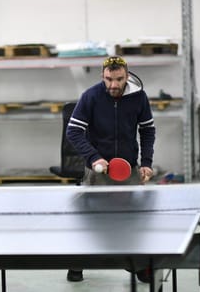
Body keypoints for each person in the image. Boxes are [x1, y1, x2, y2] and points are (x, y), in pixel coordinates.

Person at [65, 55, 156, 282]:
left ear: (127, 76)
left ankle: (134, 264)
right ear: (102, 76)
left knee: (132, 222)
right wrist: (94, 157)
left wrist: (146, 163)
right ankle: (77, 264)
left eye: (118, 79)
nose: (113, 85)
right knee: (91, 222)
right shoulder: (91, 96)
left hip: (129, 170)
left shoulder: (139, 97)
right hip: (98, 172)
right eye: (108, 79)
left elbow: (147, 131)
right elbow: (73, 131)